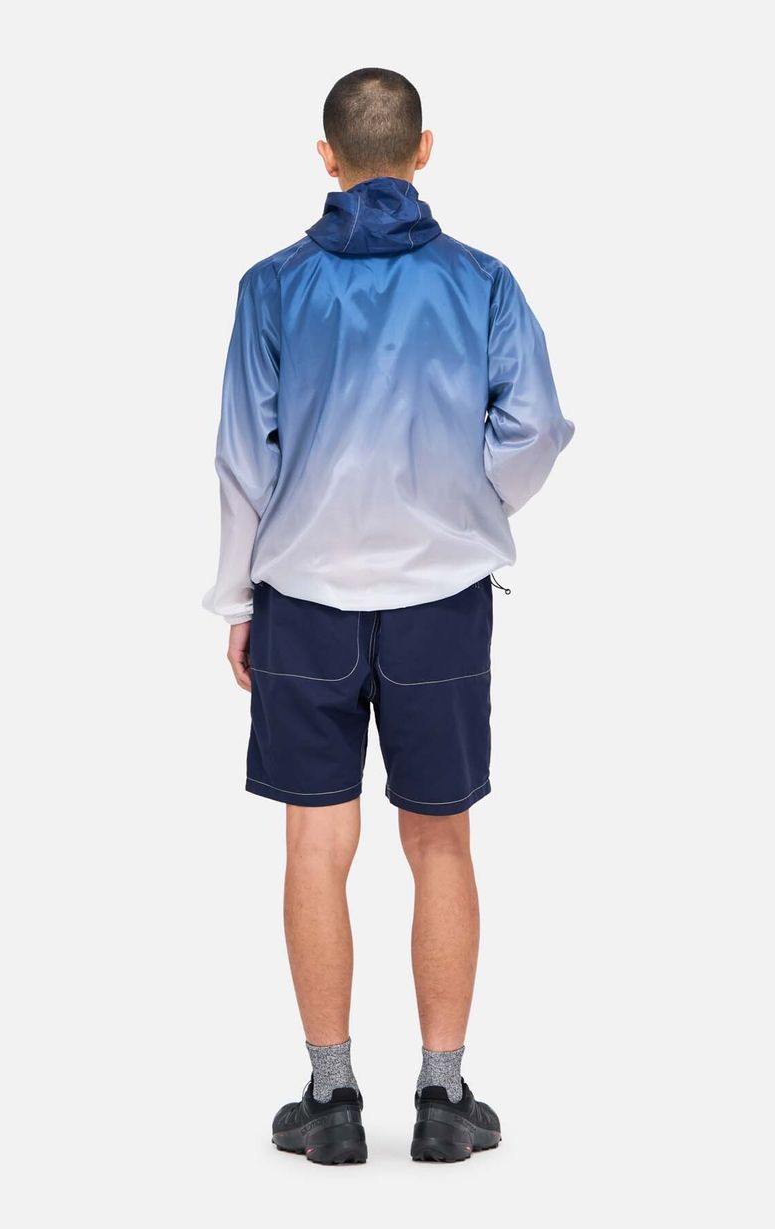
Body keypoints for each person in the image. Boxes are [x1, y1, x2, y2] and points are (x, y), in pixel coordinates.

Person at [202, 66, 574, 1165]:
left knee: (317, 840)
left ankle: (330, 1100)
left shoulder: (271, 287)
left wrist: (236, 598)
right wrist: (460, 502)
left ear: (327, 157)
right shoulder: (483, 282)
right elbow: (539, 427)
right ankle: (444, 1096)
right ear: (423, 150)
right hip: (440, 600)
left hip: (305, 597)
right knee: (440, 836)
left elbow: (242, 456)